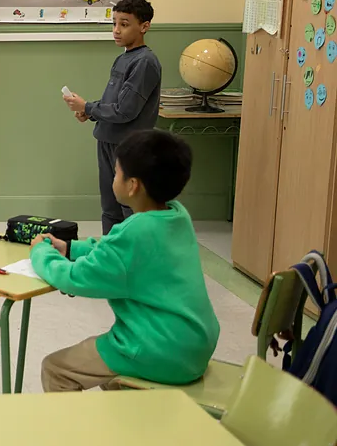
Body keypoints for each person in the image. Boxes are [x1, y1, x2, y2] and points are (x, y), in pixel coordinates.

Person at [30, 129, 220, 392]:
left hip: (158, 349)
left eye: (116, 173)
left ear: (133, 185)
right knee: (110, 376)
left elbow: (76, 278)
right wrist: (72, 248)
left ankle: (75, 423)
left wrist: (41, 253)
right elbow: (116, 250)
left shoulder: (134, 233)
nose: (113, 178)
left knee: (56, 369)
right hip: (195, 345)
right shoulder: (176, 216)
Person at [62, 0, 161, 234]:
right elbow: (113, 102)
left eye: (124, 24)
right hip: (107, 140)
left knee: (129, 207)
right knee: (110, 207)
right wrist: (89, 111)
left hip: (127, 146)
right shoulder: (124, 58)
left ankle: (132, 254)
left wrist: (88, 107)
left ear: (144, 26)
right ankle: (111, 252)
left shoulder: (145, 62)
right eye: (114, 23)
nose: (116, 30)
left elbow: (126, 110)